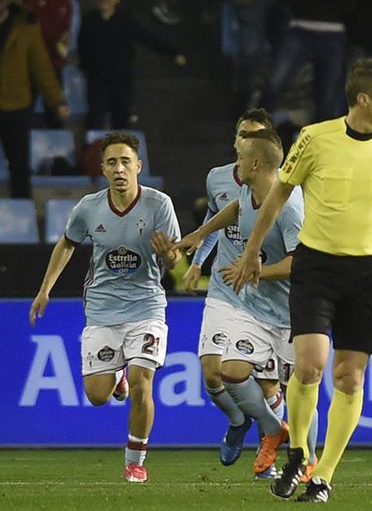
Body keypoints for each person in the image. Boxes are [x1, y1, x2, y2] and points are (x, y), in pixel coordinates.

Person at [231, 57, 372, 502]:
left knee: (349, 379)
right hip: (317, 265)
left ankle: (323, 476)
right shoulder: (316, 139)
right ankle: (299, 453)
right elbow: (278, 193)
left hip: (366, 271)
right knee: (310, 364)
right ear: (363, 98)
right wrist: (251, 251)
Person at [29, 132, 182, 483]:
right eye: (112, 162)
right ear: (102, 169)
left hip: (146, 306)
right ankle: (117, 378)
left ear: (138, 166)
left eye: (126, 161)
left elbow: (174, 261)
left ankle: (135, 460)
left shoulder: (159, 205)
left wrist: (167, 254)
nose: (119, 168)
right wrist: (44, 289)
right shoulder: (89, 208)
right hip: (102, 308)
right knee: (97, 396)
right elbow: (66, 245)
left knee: (143, 381)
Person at [177, 127, 318, 480]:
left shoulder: (290, 207)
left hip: (292, 314)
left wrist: (255, 271)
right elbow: (237, 208)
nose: (235, 163)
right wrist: (202, 232)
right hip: (255, 309)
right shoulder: (248, 188)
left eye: (241, 157)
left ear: (255, 164)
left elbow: (299, 263)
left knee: (298, 390)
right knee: (232, 370)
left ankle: (308, 459)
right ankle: (273, 429)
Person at [181, 108, 275, 469]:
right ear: (235, 140)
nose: (246, 142)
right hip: (224, 288)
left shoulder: (281, 185)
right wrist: (196, 262)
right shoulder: (217, 178)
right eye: (242, 135)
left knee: (266, 386)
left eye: (255, 136)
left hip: (261, 294)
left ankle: (273, 454)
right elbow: (215, 218)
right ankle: (238, 422)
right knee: (211, 373)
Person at [78, 0, 186, 130]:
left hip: (121, 80)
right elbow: (82, 46)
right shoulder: (89, 20)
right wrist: (86, 67)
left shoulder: (125, 20)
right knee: (95, 119)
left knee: (121, 119)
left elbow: (147, 38)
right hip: (97, 81)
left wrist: (173, 53)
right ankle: (91, 150)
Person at [0, 0, 68, 198]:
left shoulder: (26, 24)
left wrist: (57, 101)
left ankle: (22, 212)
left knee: (20, 167)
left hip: (16, 106)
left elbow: (41, 66)